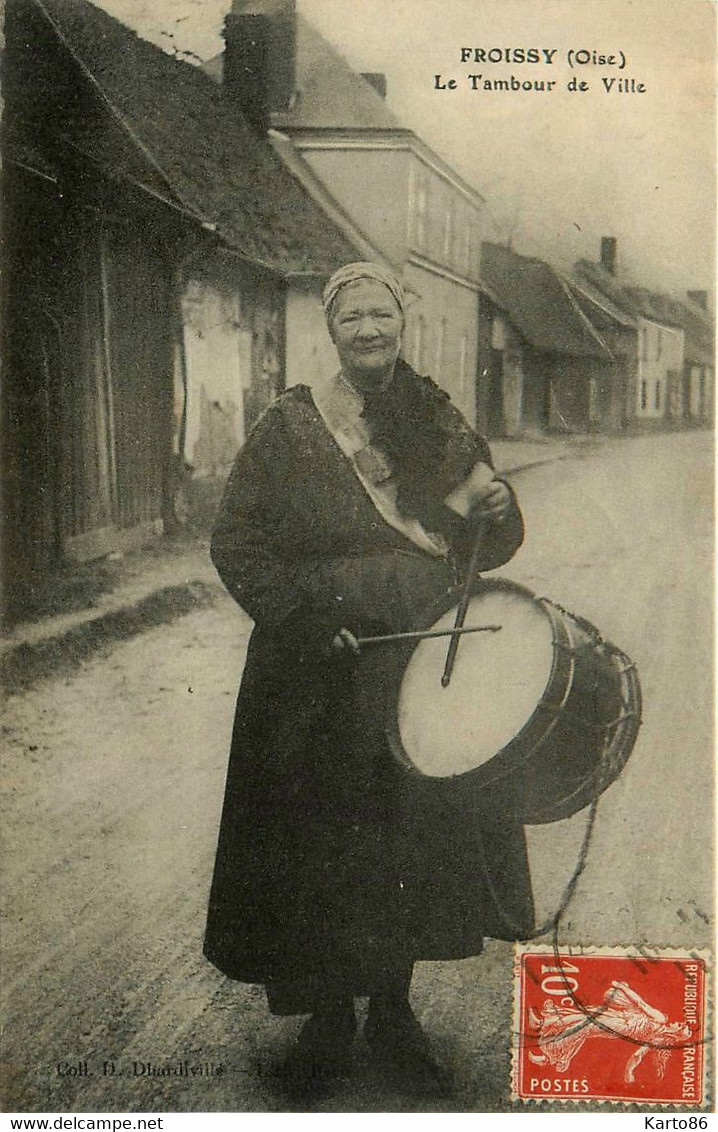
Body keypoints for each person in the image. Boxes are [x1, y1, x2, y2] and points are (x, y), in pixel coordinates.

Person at [204, 262, 534, 1096]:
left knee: (409, 844)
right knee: (316, 843)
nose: (368, 331)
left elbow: (486, 545)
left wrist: (501, 513)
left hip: (413, 670)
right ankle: (324, 1025)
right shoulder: (291, 425)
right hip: (315, 673)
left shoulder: (437, 420)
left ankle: (392, 1014)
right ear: (330, 330)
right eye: (351, 317)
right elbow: (236, 541)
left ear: (401, 323)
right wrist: (301, 620)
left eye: (380, 314)